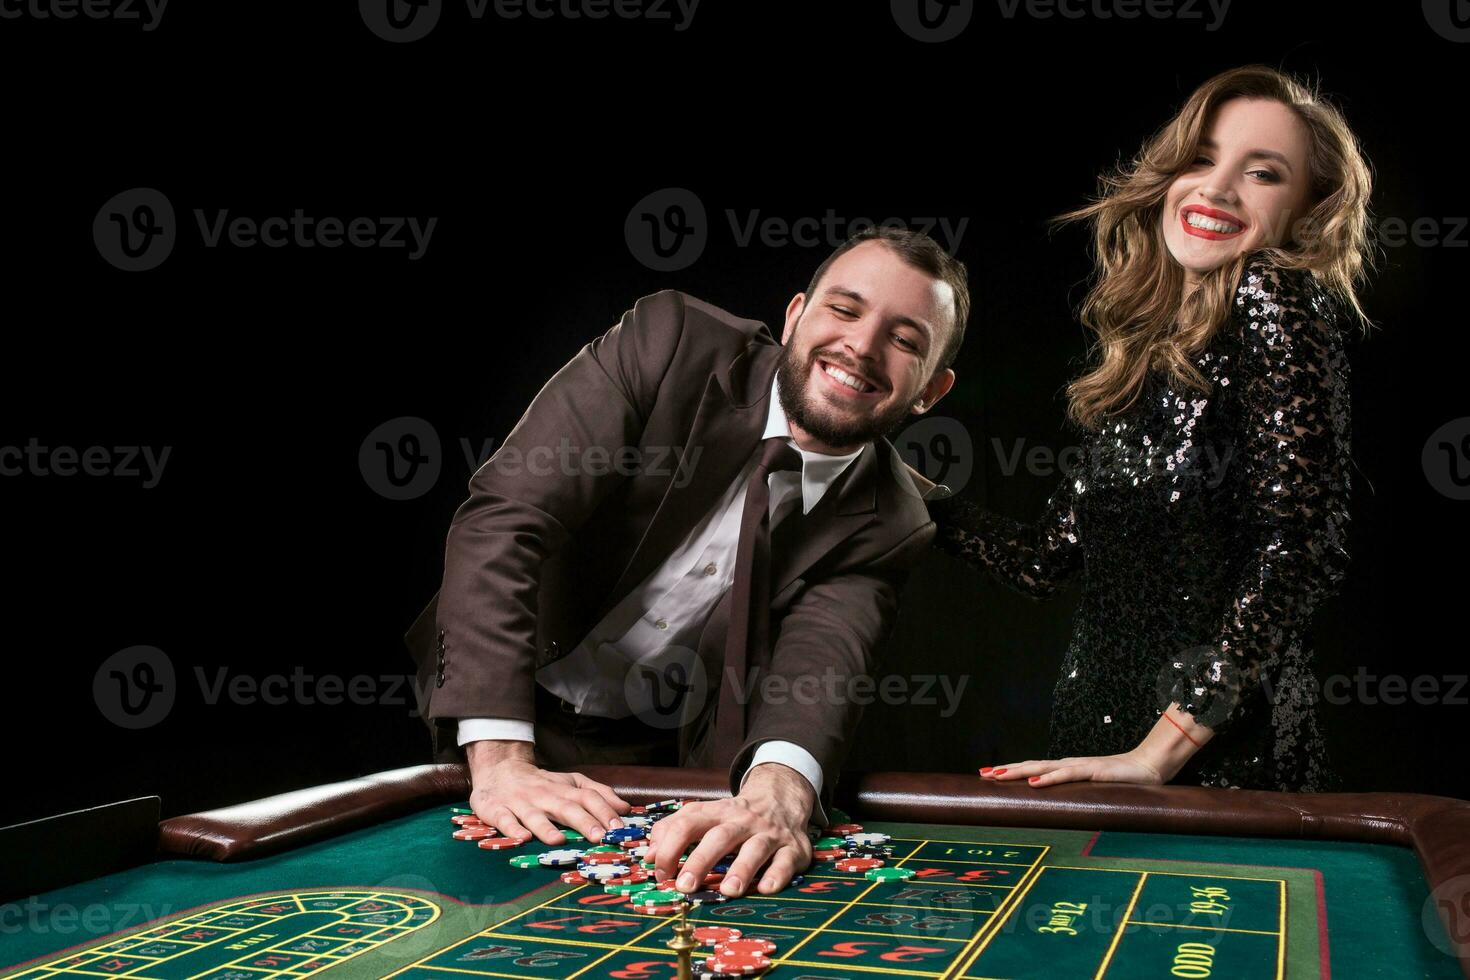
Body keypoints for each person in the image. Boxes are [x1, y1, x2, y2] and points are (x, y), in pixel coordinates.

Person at [405, 226, 964, 896]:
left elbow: (821, 665)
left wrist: (778, 795)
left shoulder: (893, 520)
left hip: (665, 760)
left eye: (905, 340)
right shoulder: (671, 342)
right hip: (506, 700)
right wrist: (500, 759)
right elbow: (507, 518)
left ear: (930, 390)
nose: (862, 346)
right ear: (794, 318)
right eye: (844, 310)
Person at [933, 65, 1373, 792]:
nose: (1216, 189)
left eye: (1262, 174)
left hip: (1214, 773)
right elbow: (1045, 560)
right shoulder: (1155, 355)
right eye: (1202, 159)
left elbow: (1301, 550)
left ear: (1307, 209)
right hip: (1094, 754)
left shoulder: (1276, 298)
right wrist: (902, 488)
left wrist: (1158, 752)